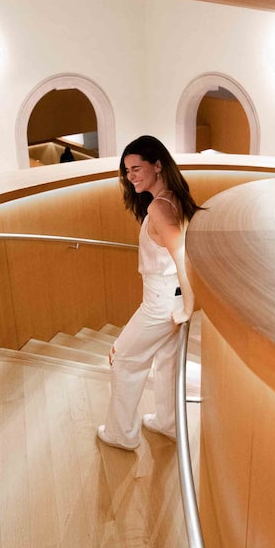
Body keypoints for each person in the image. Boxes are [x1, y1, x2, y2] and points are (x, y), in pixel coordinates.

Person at [97, 135, 202, 450]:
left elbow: (181, 250)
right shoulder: (173, 198)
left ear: (158, 165)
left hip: (160, 301)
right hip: (171, 297)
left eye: (137, 168)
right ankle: (168, 423)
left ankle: (121, 434)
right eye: (127, 171)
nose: (131, 177)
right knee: (168, 361)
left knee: (124, 358)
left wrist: (190, 306)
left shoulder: (159, 206)